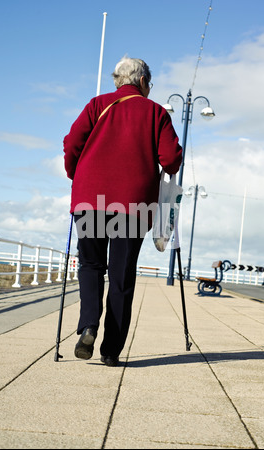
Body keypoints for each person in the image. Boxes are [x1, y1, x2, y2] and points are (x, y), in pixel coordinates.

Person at [63, 56, 182, 367]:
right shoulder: (155, 112)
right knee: (121, 276)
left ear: (118, 80)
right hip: (133, 205)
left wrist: (77, 174)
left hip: (91, 200)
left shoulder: (96, 104)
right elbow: (170, 159)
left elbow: (72, 143)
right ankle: (111, 350)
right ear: (143, 82)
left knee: (90, 265)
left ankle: (89, 324)